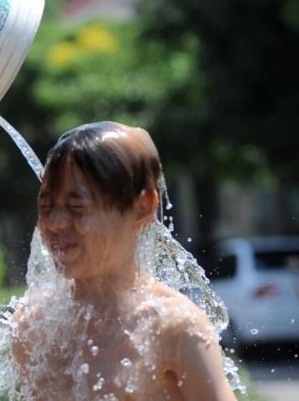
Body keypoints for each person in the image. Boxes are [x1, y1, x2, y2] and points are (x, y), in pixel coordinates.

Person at [12, 121, 236, 401]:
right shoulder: (34, 323)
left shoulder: (174, 327)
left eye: (76, 207)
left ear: (141, 208)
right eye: (46, 206)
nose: (54, 223)